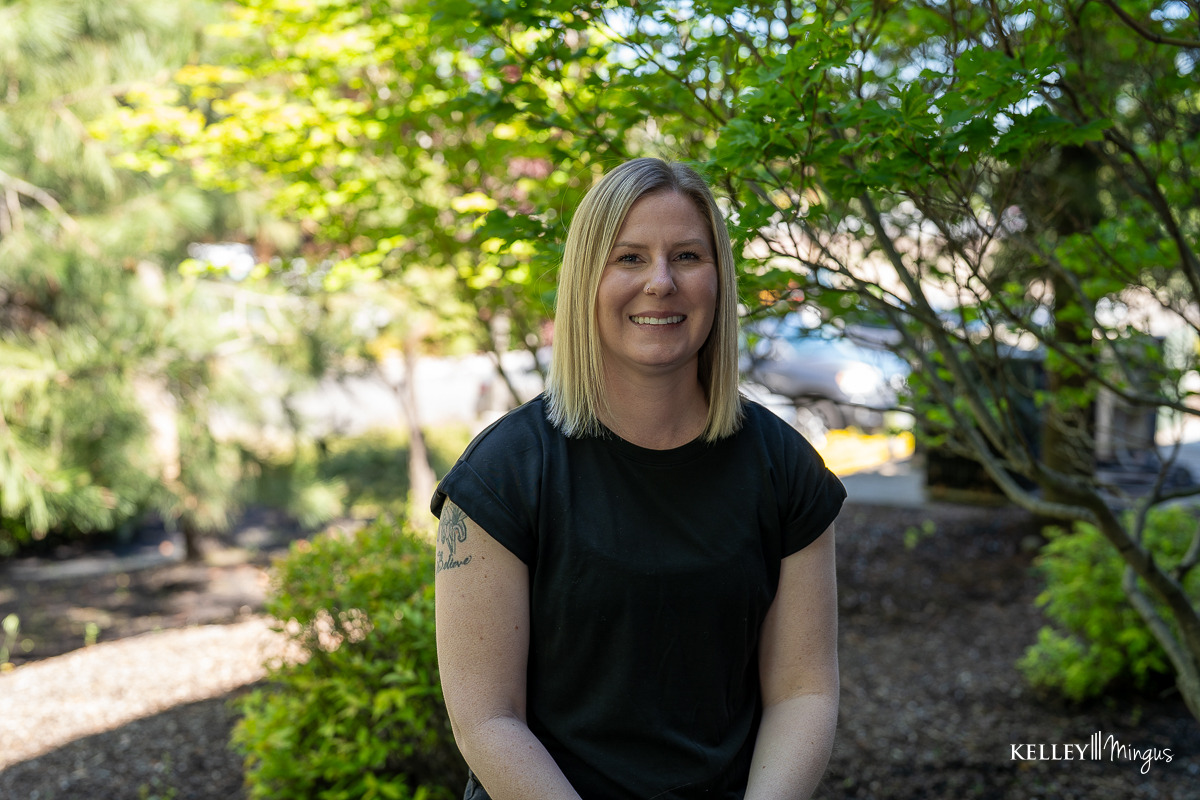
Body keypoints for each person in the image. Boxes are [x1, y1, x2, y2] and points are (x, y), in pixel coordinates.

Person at [431, 157, 845, 800]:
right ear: (585, 282)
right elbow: (487, 719)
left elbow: (803, 692)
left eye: (686, 256)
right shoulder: (503, 475)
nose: (660, 282)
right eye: (628, 258)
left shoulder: (784, 467)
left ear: (718, 278)